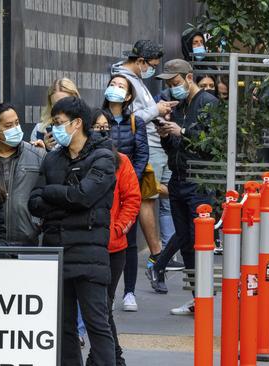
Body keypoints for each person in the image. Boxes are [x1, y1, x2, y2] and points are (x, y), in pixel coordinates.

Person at [29, 97, 117, 366]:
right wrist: (66, 200)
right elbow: (34, 202)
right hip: (56, 251)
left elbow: (85, 196)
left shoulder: (103, 156)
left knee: (96, 324)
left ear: (77, 123)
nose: (54, 129)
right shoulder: (53, 159)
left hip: (90, 254)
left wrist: (54, 194)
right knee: (63, 325)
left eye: (58, 123)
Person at [111, 40, 179, 309]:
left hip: (149, 147)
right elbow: (135, 117)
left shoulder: (137, 80)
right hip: (144, 150)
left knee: (156, 200)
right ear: (140, 61)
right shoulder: (124, 80)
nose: (152, 70)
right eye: (151, 65)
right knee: (147, 200)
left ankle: (156, 259)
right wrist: (157, 111)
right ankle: (157, 256)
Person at [150, 59, 218, 314]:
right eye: (169, 84)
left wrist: (183, 131)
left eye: (175, 82)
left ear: (189, 77)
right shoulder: (177, 107)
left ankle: (199, 293)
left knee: (196, 238)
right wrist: (167, 136)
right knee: (187, 240)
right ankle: (195, 297)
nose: (172, 87)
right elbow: (175, 147)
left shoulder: (208, 103)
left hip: (199, 180)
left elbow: (211, 143)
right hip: (178, 179)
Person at [87, 112, 142, 366]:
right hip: (84, 245)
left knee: (102, 307)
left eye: (105, 127)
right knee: (98, 309)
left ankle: (110, 358)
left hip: (112, 247)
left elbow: (132, 199)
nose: (101, 131)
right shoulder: (77, 160)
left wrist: (118, 229)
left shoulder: (121, 161)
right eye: (96, 127)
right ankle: (110, 357)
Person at [101, 75, 150, 308]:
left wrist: (131, 179)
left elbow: (142, 154)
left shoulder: (135, 121)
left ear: (129, 95)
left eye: (121, 86)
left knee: (128, 241)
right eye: (113, 84)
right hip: (101, 185)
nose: (115, 89)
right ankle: (105, 290)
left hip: (127, 187)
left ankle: (129, 291)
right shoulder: (99, 119)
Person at [0, 103, 46, 246]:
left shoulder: (37, 154)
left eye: (16, 123)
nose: (15, 129)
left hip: (30, 242)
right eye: (8, 126)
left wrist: (37, 224)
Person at [31, 77, 81, 151]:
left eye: (65, 102)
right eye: (56, 104)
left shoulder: (84, 127)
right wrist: (44, 149)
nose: (61, 108)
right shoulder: (40, 130)